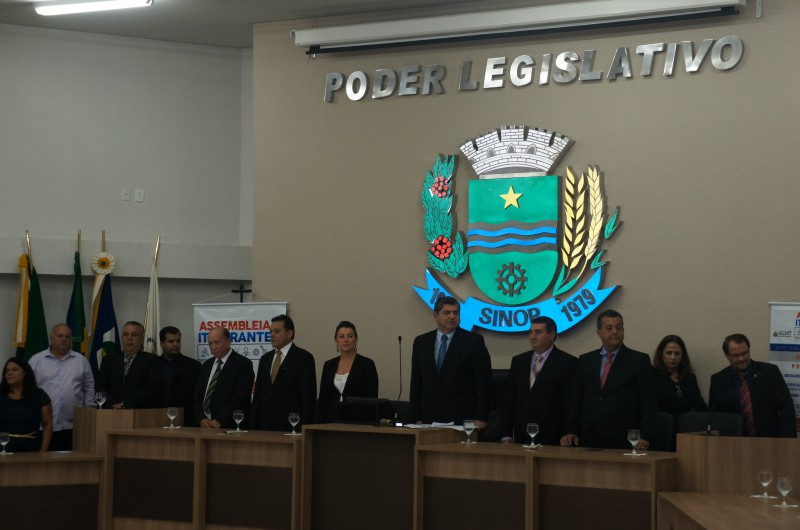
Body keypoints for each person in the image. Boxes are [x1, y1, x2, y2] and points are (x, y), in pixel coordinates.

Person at [561, 309, 657, 450]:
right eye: (609, 328)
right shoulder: (585, 360)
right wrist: (571, 430)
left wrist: (646, 436)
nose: (615, 332)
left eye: (618, 327)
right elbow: (576, 400)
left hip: (625, 438)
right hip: (589, 437)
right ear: (599, 332)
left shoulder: (638, 360)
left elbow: (648, 403)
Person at [410, 296, 492, 427]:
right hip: (428, 417)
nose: (452, 316)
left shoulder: (473, 342)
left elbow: (483, 383)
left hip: (462, 417)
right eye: (447, 313)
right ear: (435, 315)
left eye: (456, 313)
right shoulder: (421, 342)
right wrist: (416, 416)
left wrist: (481, 417)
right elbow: (416, 382)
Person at [500, 316, 576, 445]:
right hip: (521, 434)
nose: (532, 336)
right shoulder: (519, 361)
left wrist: (568, 431)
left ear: (552, 335)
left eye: (538, 332)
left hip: (553, 436)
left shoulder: (567, 362)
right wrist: (505, 434)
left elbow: (570, 403)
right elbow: (509, 400)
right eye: (531, 332)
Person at [708, 333, 796, 438]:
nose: (741, 358)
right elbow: (714, 416)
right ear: (727, 356)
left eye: (745, 353)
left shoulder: (770, 372)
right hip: (733, 442)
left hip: (769, 439)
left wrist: (788, 439)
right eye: (736, 355)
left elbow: (786, 407)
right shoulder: (718, 380)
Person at [29, 323, 95, 451]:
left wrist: (88, 412)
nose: (64, 339)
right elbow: (28, 389)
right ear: (51, 338)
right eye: (60, 336)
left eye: (67, 336)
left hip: (75, 425)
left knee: (74, 461)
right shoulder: (36, 361)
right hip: (44, 425)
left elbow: (89, 388)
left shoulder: (81, 361)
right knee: (45, 461)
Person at [251, 315, 317, 432]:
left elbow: (308, 398)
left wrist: (304, 429)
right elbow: (258, 396)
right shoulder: (265, 359)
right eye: (271, 331)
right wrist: (253, 427)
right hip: (264, 427)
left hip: (291, 427)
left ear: (289, 333)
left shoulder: (303, 358)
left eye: (277, 331)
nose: (272, 335)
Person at [315, 321, 379, 423]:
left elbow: (372, 399)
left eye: (350, 336)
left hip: (359, 422)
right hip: (331, 421)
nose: (345, 340)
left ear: (356, 339)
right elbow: (323, 399)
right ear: (336, 340)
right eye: (341, 336)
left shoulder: (367, 364)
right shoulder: (328, 365)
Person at [194, 326, 255, 429]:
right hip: (205, 426)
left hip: (230, 427)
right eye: (210, 343)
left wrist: (220, 420)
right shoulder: (206, 365)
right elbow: (197, 395)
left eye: (217, 342)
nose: (213, 347)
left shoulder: (243, 364)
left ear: (228, 341)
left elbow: (241, 398)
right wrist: (201, 418)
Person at [96, 321, 164, 409]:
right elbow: (100, 388)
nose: (129, 338)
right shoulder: (108, 360)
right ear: (121, 338)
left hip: (139, 412)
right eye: (126, 334)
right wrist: (113, 406)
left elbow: (151, 388)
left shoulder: (153, 360)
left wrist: (126, 404)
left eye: (134, 335)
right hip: (111, 411)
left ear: (141, 339)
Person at [0, 358, 53, 452]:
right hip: (2, 448)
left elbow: (47, 424)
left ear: (25, 373)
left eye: (14, 369)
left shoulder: (39, 395)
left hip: (31, 448)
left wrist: (43, 451)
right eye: (7, 371)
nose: (9, 373)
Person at [652, 335, 706, 418]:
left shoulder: (690, 378)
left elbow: (699, 405)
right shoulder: (652, 376)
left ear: (682, 355)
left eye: (677, 353)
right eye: (669, 353)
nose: (673, 357)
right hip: (661, 424)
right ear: (661, 354)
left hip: (686, 424)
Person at [160, 326, 202, 427]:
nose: (176, 344)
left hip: (186, 421)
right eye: (171, 341)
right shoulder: (152, 365)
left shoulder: (194, 366)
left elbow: (198, 396)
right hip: (157, 418)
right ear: (162, 343)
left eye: (178, 341)